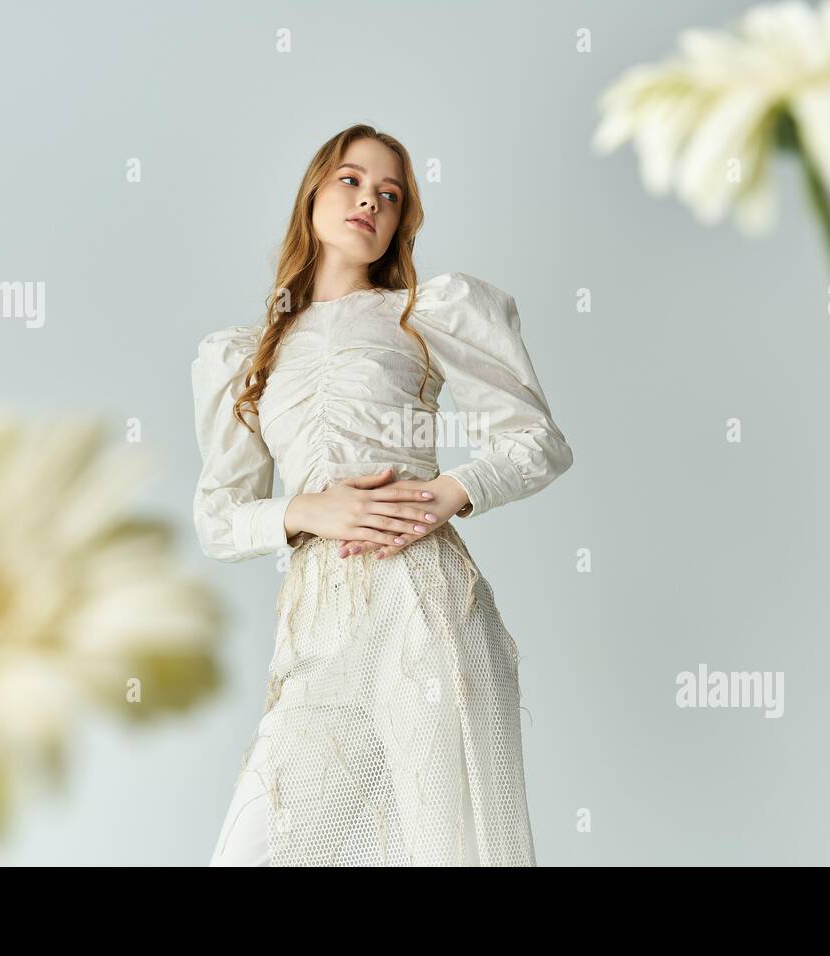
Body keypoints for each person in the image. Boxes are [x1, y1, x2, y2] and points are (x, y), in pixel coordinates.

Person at [191, 124, 574, 866]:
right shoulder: (245, 354)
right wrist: (306, 512)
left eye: (389, 195)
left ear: (400, 222)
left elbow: (536, 442)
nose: (369, 199)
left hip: (423, 605)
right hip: (314, 629)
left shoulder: (423, 313)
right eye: (351, 180)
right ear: (312, 192)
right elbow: (219, 518)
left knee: (448, 848)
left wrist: (448, 493)